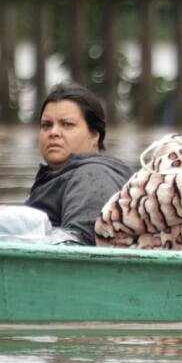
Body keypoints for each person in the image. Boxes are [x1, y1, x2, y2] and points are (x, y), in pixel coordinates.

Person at [24, 82, 132, 245]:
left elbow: (79, 246)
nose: (53, 133)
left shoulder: (93, 176)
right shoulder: (63, 175)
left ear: (95, 134)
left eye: (67, 124)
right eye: (46, 125)